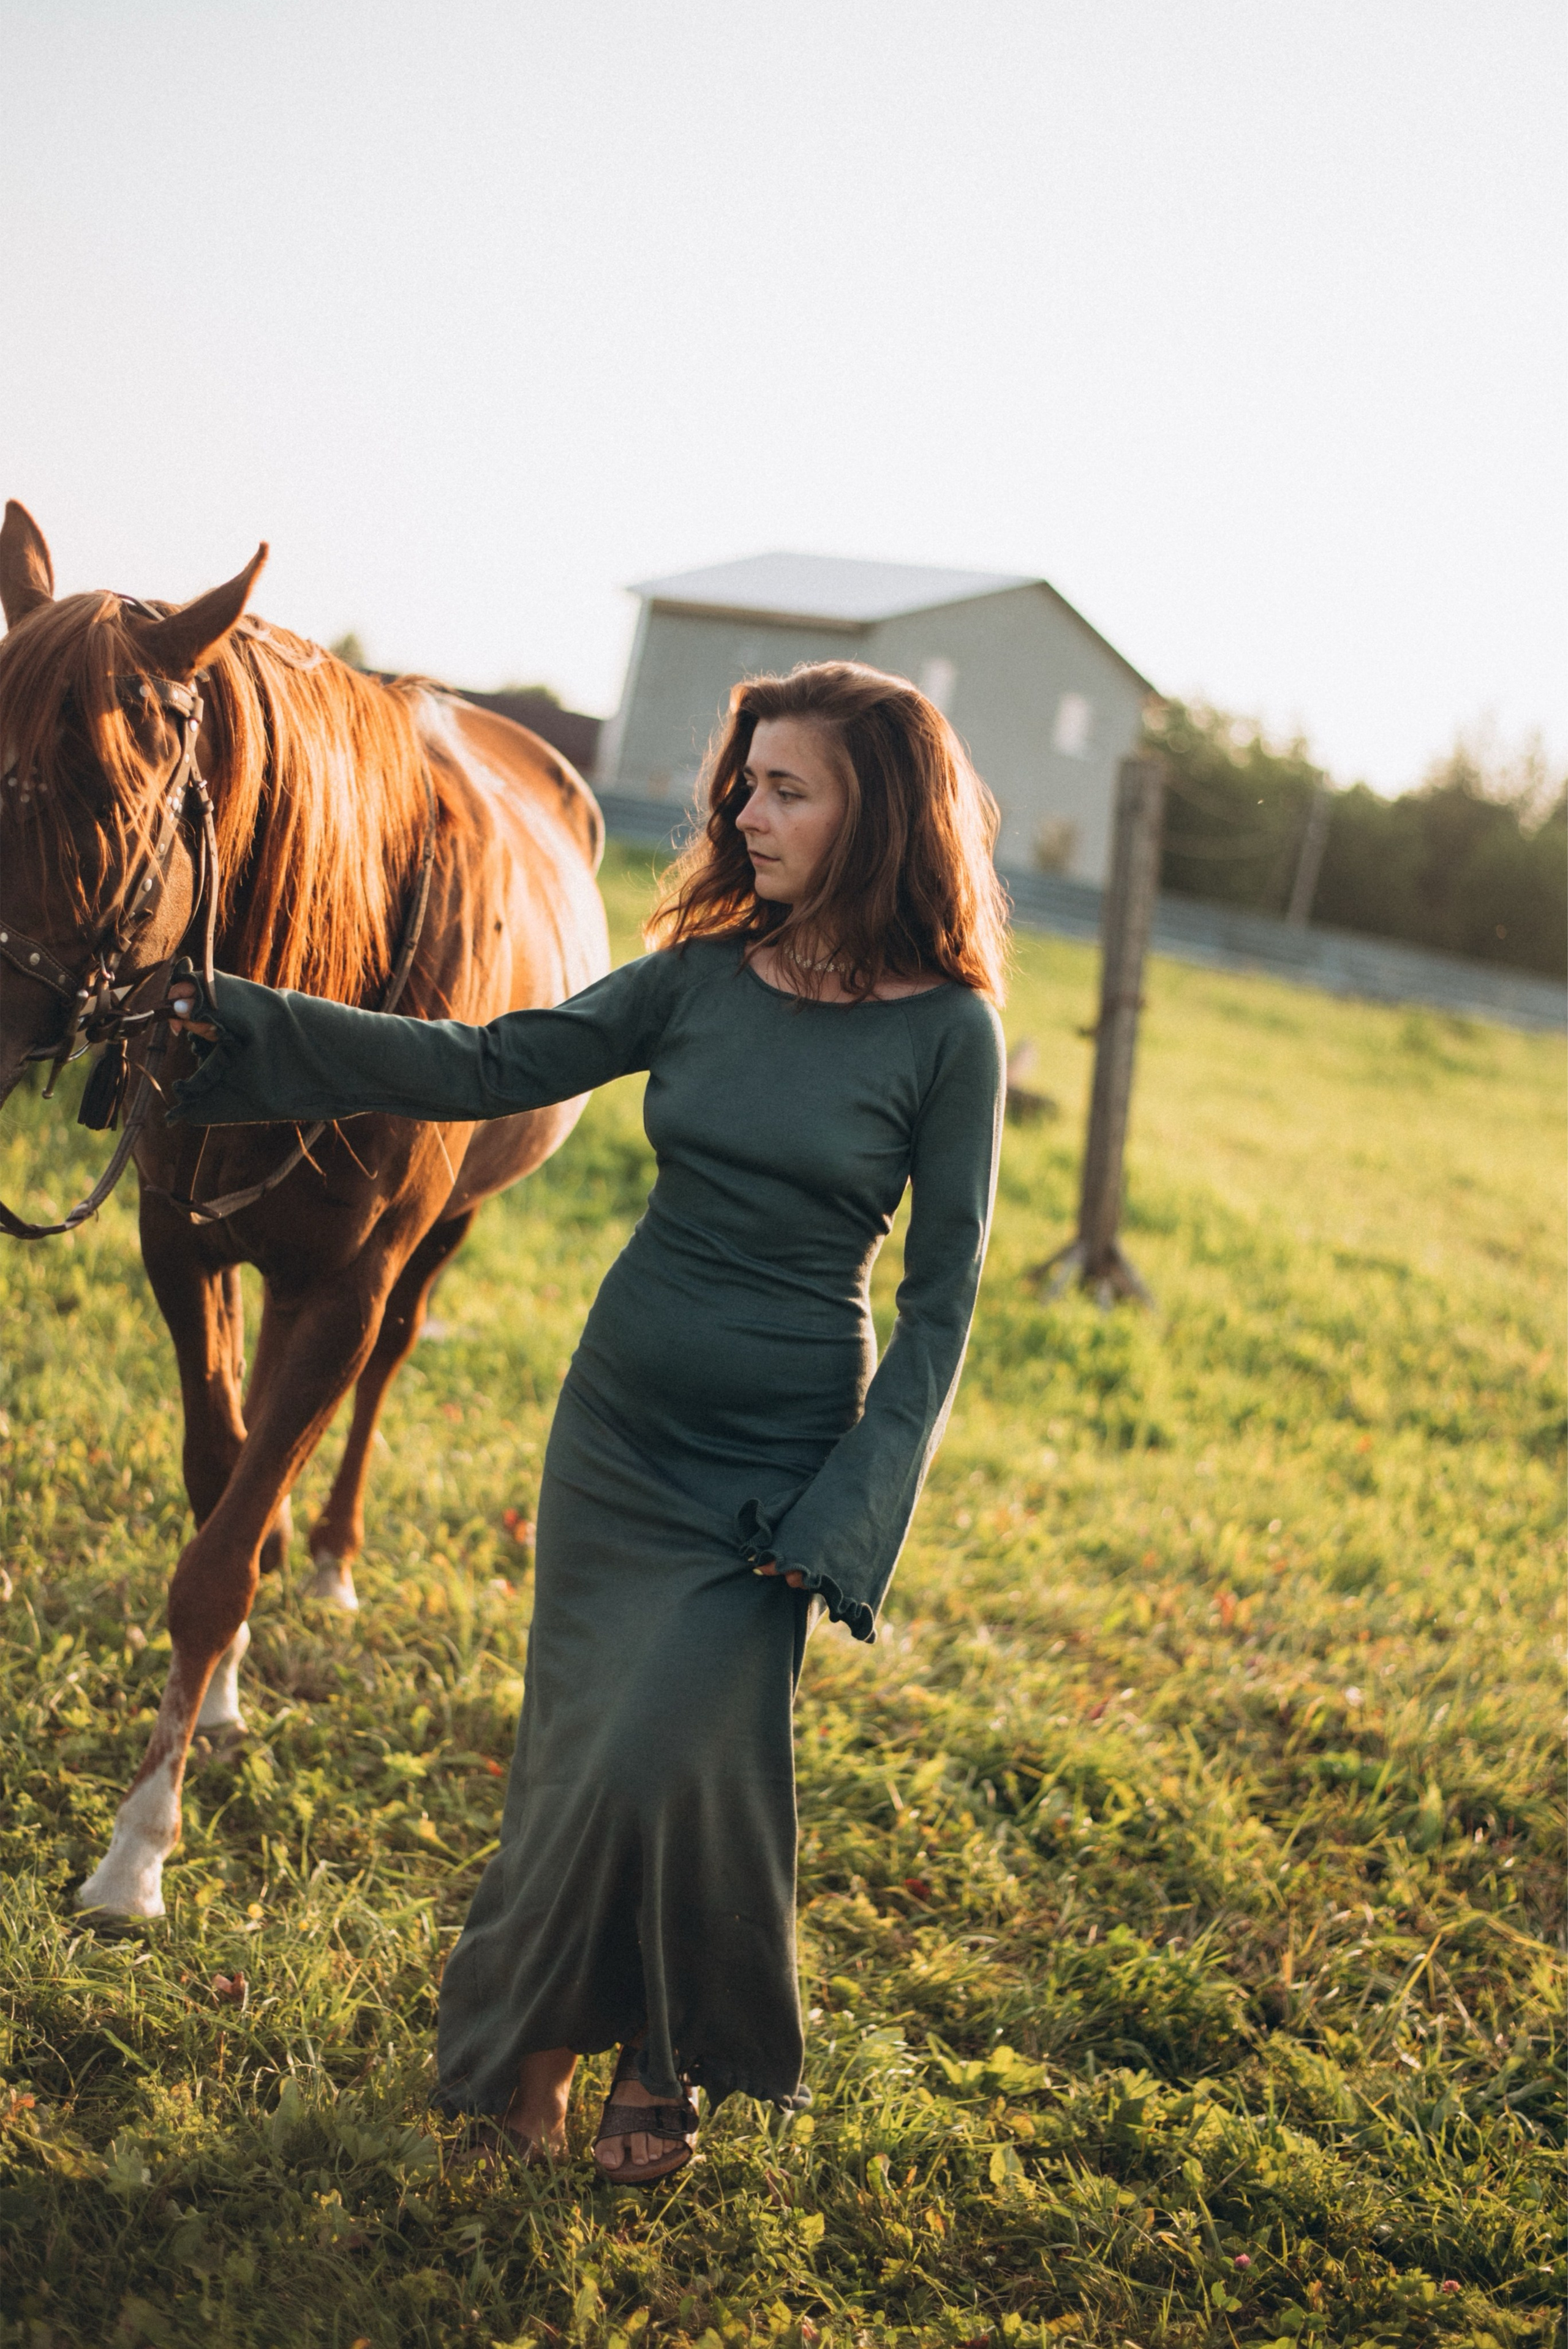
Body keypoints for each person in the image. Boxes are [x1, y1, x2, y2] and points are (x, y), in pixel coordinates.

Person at [168, 659, 1008, 2183]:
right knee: (574, 1756)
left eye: (785, 788)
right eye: (742, 782)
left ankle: (662, 2053)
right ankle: (532, 2067)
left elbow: (945, 1297)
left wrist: (851, 1511)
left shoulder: (949, 1033)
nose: (743, 809)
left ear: (875, 812)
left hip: (776, 1459)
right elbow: (491, 1063)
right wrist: (240, 1021)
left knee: (672, 1761)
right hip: (617, 1425)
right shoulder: (697, 975)